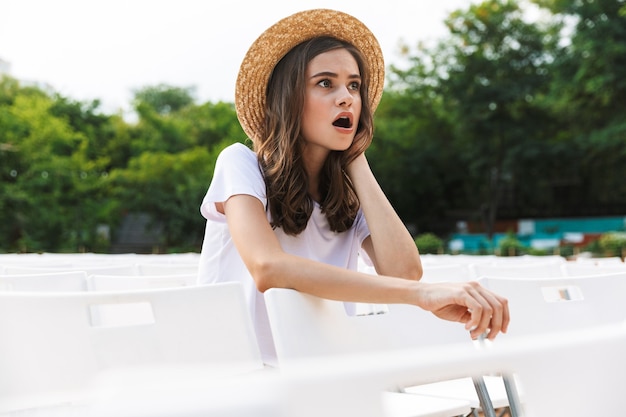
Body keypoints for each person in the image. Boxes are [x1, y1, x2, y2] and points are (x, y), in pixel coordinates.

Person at [198, 8, 509, 365]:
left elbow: (405, 272)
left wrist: (355, 157)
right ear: (288, 99)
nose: (346, 97)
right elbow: (269, 269)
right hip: (238, 373)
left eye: (354, 86)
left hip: (322, 371)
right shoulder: (240, 163)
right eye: (325, 83)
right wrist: (422, 295)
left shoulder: (347, 194)